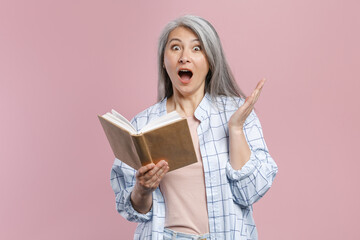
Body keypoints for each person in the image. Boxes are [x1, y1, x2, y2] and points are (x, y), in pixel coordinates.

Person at [110, 15, 278, 240]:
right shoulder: (142, 124)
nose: (184, 57)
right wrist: (143, 189)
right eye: (175, 47)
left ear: (210, 60)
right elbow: (131, 210)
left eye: (196, 48)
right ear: (163, 59)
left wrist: (236, 129)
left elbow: (250, 192)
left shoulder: (237, 112)